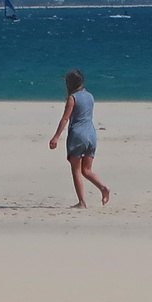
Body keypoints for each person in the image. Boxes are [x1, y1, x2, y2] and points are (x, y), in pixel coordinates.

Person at [49, 69, 109, 209]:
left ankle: (82, 202)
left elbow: (65, 118)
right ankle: (103, 187)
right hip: (91, 134)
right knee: (86, 170)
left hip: (78, 135)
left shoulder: (73, 98)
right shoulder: (90, 96)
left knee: (76, 170)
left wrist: (56, 137)